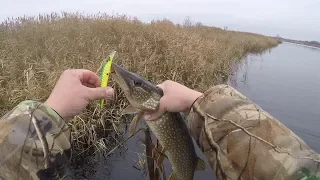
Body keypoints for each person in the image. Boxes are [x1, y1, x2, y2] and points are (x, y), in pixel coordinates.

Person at [0, 69, 319, 180]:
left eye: (137, 86)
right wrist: (199, 101)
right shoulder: (146, 108)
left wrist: (50, 111)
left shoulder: (150, 107)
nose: (127, 80)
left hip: (183, 163)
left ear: (151, 103)